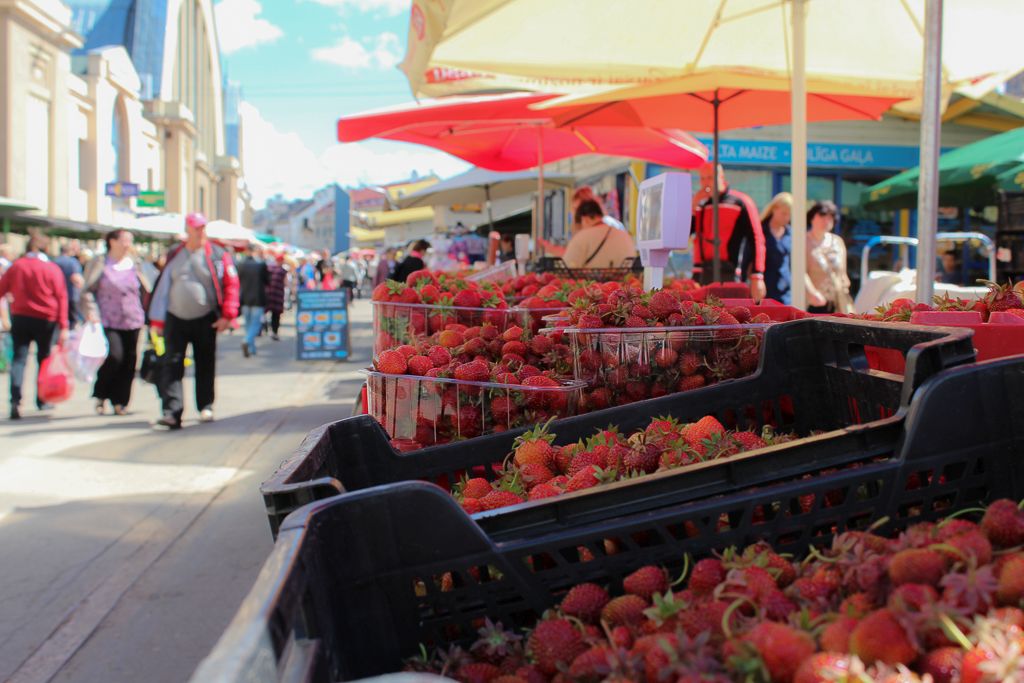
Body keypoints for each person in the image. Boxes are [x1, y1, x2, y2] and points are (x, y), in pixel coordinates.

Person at [147, 213, 239, 429]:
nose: (201, 232)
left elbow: (231, 284)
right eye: (196, 228)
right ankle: (172, 412)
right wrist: (157, 320)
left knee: (205, 363)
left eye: (203, 228)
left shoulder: (217, 254)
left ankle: (205, 406)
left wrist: (228, 315)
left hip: (206, 318)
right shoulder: (175, 253)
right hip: (175, 318)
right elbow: (162, 288)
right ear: (187, 229)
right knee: (172, 363)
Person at [82, 229, 152, 415]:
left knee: (130, 360)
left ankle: (121, 401)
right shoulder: (100, 262)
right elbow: (87, 289)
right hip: (107, 318)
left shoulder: (135, 263)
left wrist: (150, 313)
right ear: (112, 242)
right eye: (124, 240)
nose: (128, 244)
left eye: (130, 241)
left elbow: (147, 289)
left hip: (133, 318)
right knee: (115, 356)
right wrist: (91, 311)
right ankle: (101, 393)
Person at [0, 232, 69, 420]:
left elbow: (1, 288)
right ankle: (42, 398)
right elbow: (61, 296)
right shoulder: (51, 268)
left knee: (19, 359)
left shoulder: (17, 266)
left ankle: (15, 400)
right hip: (46, 319)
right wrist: (64, 324)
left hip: (21, 317)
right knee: (43, 359)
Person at [691, 162, 766, 301]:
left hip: (731, 272)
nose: (706, 182)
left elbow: (756, 238)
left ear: (721, 177)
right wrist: (693, 208)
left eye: (710, 177)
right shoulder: (700, 203)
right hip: (700, 272)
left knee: (729, 315)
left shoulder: (740, 202)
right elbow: (686, 235)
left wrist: (757, 275)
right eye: (702, 178)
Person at [805, 201, 852, 314]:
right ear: (812, 217)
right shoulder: (803, 241)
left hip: (838, 302)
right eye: (822, 216)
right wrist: (811, 293)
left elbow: (843, 272)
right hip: (813, 303)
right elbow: (799, 272)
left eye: (830, 217)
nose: (826, 221)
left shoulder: (838, 241)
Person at [563, 199, 638, 269]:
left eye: (579, 226)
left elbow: (566, 268)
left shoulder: (581, 237)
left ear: (584, 219)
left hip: (592, 282)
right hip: (627, 282)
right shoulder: (625, 236)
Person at [238, 244, 270, 358]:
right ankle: (247, 341)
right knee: (255, 324)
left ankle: (252, 349)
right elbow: (268, 281)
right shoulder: (261, 265)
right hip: (258, 298)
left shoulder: (241, 264)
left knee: (248, 324)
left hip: (245, 299)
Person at [54, 239, 85, 329]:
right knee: (72, 323)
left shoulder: (55, 261)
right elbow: (77, 279)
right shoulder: (73, 262)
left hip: (57, 296)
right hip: (71, 296)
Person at [265, 253, 287, 340]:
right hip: (278, 295)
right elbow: (286, 283)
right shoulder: (282, 271)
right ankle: (274, 332)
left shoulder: (269, 268)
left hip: (269, 294)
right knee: (276, 315)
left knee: (266, 313)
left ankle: (265, 329)